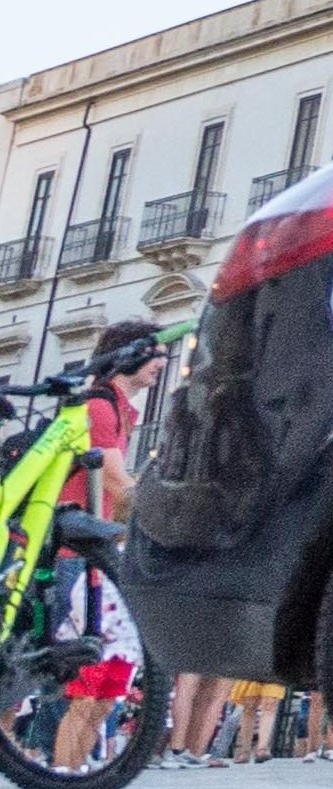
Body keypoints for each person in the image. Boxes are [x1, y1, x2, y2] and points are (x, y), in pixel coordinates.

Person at [51, 319, 166, 772]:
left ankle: (72, 771)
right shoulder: (100, 408)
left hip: (87, 556)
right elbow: (118, 486)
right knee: (85, 684)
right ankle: (62, 771)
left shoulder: (120, 412)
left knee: (100, 686)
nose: (161, 362)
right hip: (71, 558)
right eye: (153, 353)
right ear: (128, 355)